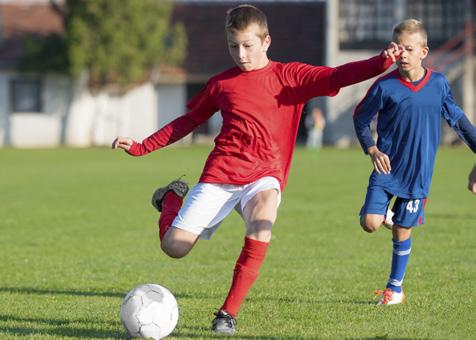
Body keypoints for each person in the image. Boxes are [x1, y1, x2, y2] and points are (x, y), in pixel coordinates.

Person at [113, 4, 400, 334]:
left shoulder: (290, 77)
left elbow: (337, 76)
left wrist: (380, 63)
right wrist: (141, 147)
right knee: (173, 248)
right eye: (233, 46)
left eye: (248, 45)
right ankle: (170, 200)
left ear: (266, 41)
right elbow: (188, 121)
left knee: (264, 219)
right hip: (221, 174)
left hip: (264, 175)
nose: (241, 53)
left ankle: (227, 313)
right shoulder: (221, 84)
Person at [353, 19, 476, 305]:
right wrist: (371, 149)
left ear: (424, 51)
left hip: (418, 174)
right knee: (369, 223)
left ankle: (394, 289)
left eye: (409, 49)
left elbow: (458, 121)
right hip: (386, 169)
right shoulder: (384, 86)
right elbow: (360, 117)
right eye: (397, 49)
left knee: (402, 230)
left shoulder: (438, 84)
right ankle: (385, 214)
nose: (402, 55)